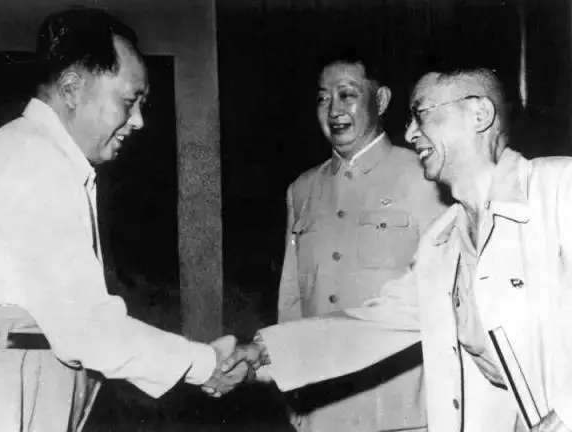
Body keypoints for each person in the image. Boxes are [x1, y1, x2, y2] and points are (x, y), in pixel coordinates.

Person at [0, 8, 245, 432]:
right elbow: (90, 331)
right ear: (72, 89)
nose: (138, 121)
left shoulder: (29, 151)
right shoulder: (36, 163)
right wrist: (204, 363)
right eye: (129, 102)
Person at [214, 67, 572, 432]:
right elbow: (375, 325)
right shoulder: (442, 243)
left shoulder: (559, 189)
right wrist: (263, 352)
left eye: (422, 114)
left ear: (479, 114)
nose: (411, 133)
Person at [277, 49, 448, 432]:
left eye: (347, 94)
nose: (334, 110)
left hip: (402, 411)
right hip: (322, 407)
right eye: (323, 98)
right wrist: (292, 390)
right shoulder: (302, 189)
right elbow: (292, 301)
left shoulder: (426, 176)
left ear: (381, 100)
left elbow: (443, 299)